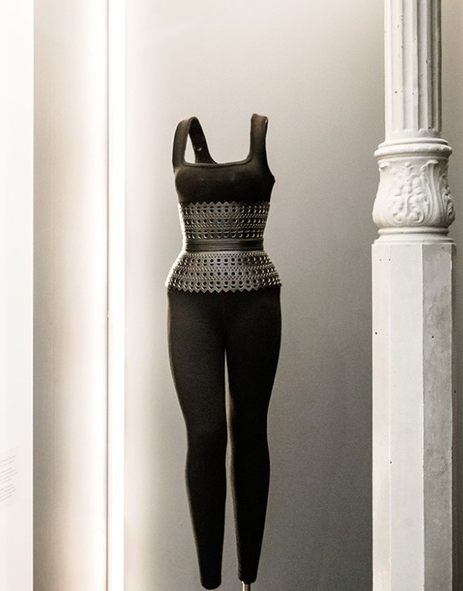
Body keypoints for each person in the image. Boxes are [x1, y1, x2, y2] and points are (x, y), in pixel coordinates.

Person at [166, 114, 281, 590]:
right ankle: (209, 579)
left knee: (250, 429)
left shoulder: (261, 130)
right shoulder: (181, 132)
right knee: (206, 435)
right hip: (191, 295)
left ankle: (248, 574)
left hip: (255, 294)